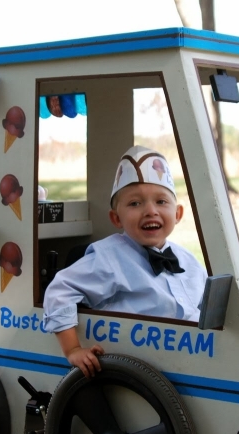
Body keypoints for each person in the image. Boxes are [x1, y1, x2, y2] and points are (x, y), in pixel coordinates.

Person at [43, 146, 208, 377]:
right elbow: (60, 291)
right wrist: (73, 349)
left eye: (161, 201)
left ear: (178, 214)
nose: (150, 211)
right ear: (116, 218)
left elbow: (208, 306)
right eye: (135, 204)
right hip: (140, 371)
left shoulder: (188, 261)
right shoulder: (109, 258)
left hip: (195, 363)